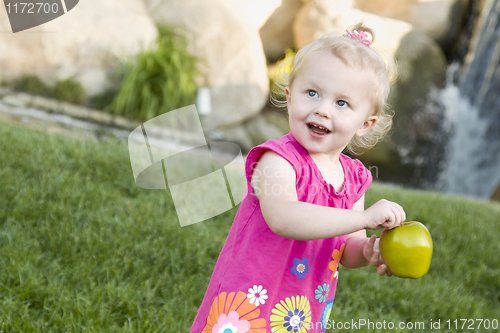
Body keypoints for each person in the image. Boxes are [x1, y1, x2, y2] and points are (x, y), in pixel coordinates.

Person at [190, 22, 406, 333]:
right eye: (313, 93)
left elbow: (346, 249)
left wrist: (370, 251)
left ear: (365, 123)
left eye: (342, 103)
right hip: (249, 298)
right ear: (290, 97)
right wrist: (364, 217)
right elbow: (285, 218)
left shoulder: (354, 179)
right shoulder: (278, 159)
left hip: (299, 309)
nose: (322, 110)